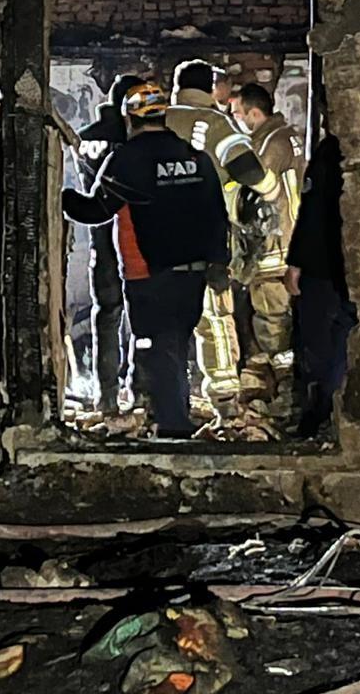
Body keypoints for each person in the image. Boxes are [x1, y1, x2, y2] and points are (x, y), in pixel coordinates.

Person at [62, 83, 229, 438]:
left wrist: (62, 197)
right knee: (176, 344)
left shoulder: (128, 159)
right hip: (194, 272)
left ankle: (172, 425)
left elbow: (96, 210)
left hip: (148, 273)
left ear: (129, 118)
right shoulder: (194, 156)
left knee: (157, 347)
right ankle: (172, 414)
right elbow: (217, 212)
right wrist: (218, 262)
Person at [164, 58, 277, 411]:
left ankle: (164, 401)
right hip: (205, 235)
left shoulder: (157, 120)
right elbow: (247, 168)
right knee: (213, 316)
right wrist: (271, 190)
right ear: (209, 88)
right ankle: (224, 398)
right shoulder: (214, 122)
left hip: (155, 237)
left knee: (163, 319)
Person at [74, 73, 144, 413]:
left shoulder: (87, 137)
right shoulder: (136, 141)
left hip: (101, 241)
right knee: (143, 318)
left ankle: (107, 395)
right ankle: (139, 391)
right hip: (136, 241)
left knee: (107, 315)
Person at [232, 82, 305, 392]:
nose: (235, 119)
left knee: (272, 314)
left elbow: (258, 186)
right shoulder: (288, 136)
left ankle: (285, 388)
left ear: (254, 113)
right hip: (294, 238)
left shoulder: (270, 144)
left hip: (277, 244)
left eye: (238, 113)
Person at [286, 134, 357, 438]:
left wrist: (296, 261)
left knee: (319, 342)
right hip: (348, 265)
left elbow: (312, 211)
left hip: (322, 266)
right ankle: (330, 410)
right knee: (342, 339)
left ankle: (320, 412)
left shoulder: (328, 154)